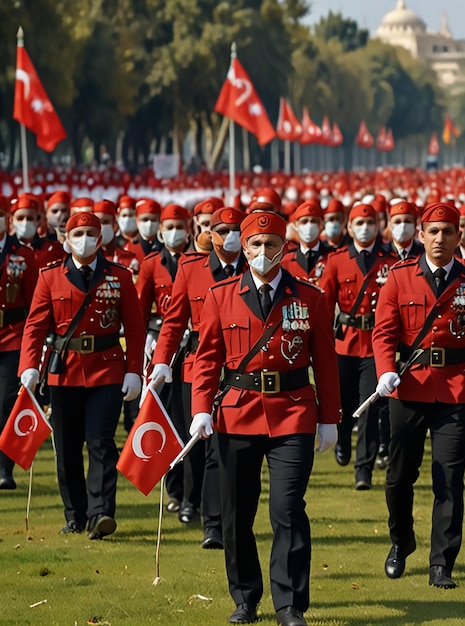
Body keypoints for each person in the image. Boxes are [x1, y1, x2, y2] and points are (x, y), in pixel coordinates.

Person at [189, 210, 341, 625]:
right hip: (237, 414)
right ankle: (245, 597)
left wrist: (330, 418)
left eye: (270, 244)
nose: (261, 252)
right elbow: (206, 361)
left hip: (293, 412)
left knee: (287, 508)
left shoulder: (310, 298)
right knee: (237, 511)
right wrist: (200, 409)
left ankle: (289, 603)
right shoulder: (220, 296)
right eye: (254, 244)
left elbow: (325, 362)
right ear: (243, 245)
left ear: (284, 248)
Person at [372, 202, 465, 588]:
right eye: (433, 231)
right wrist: (384, 369)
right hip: (409, 386)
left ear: (459, 237)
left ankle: (441, 563)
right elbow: (383, 333)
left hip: (456, 389)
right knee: (399, 475)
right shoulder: (398, 278)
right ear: (421, 235)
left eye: (448, 232)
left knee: (449, 477)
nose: (440, 239)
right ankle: (401, 541)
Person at [18, 211, 144, 538]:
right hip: (65, 371)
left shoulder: (118, 276)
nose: (84, 239)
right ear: (66, 239)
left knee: (101, 441)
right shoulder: (50, 276)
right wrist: (29, 366)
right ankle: (75, 514)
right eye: (78, 233)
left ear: (100, 239)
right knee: (67, 445)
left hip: (106, 369)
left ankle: (101, 512)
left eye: (91, 233)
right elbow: (34, 327)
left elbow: (134, 327)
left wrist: (135, 372)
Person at [150, 207, 247, 548]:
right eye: (222, 229)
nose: (229, 236)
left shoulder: (254, 268)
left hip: (237, 371)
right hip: (195, 366)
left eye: (236, 229)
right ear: (209, 234)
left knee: (218, 450)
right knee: (192, 442)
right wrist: (162, 360)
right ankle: (188, 499)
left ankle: (214, 523)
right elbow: (174, 320)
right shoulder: (191, 268)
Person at [319, 203, 397, 490]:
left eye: (370, 222)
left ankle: (363, 468)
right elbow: (325, 306)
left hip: (375, 344)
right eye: (359, 223)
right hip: (345, 342)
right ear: (349, 228)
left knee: (370, 406)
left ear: (378, 226)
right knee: (343, 401)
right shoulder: (337, 260)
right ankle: (342, 439)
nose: (365, 227)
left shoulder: (389, 260)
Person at [0, 194, 39, 493]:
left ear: (8, 218)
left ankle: (4, 466)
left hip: (12, 338)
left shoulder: (24, 256)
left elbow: (34, 305)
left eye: (0, 214)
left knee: (6, 405)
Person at [136, 203, 191, 515]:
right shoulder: (150, 265)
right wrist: (147, 345)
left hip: (191, 343)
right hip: (160, 344)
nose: (174, 232)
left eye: (179, 226)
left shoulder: (196, 262)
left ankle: (190, 489)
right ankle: (174, 487)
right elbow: (141, 310)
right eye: (169, 226)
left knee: (187, 415)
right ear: (160, 230)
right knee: (165, 413)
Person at [280, 201, 332, 286]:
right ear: (295, 225)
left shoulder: (332, 258)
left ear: (321, 225)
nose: (309, 226)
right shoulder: (286, 261)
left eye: (313, 221)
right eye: (304, 221)